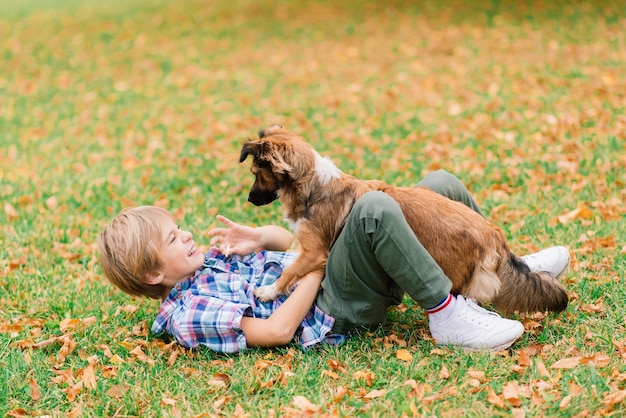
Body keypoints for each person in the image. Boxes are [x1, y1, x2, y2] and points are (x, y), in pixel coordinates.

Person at [98, 170, 570, 353]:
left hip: (328, 276)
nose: (187, 234)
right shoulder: (190, 311)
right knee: (373, 210)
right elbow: (276, 330)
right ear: (153, 274)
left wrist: (261, 235)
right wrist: (318, 265)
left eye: (180, 228)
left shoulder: (210, 265)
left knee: (438, 186)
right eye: (173, 238)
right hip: (333, 307)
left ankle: (501, 265)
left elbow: (291, 244)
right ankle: (446, 316)